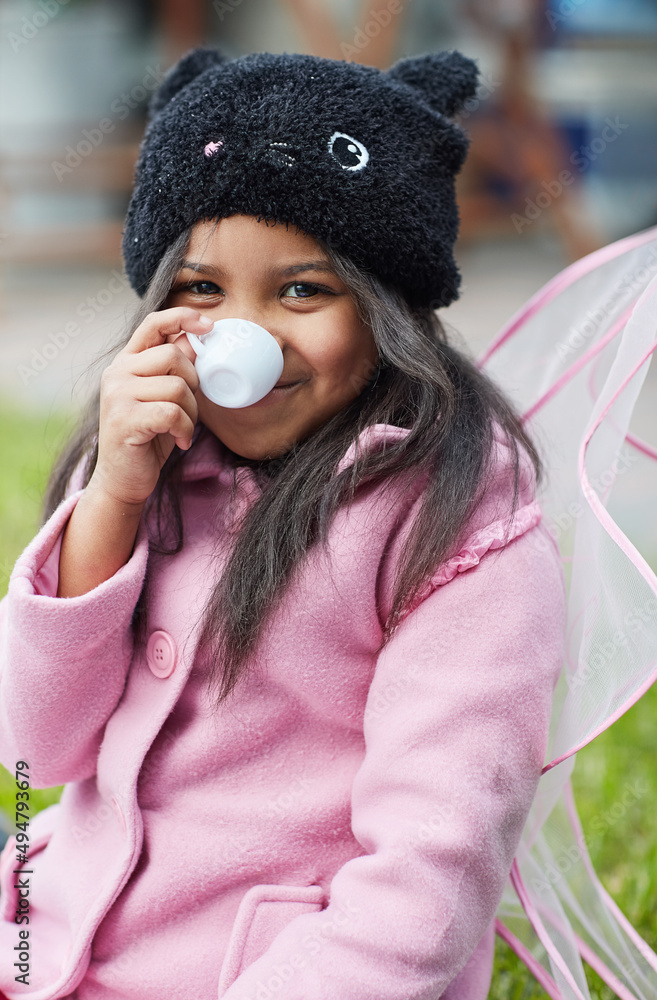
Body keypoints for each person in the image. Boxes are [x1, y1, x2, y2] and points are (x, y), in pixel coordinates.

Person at [0, 48, 567, 999]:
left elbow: (431, 873)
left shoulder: (453, 524)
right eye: (201, 291)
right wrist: (111, 503)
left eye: (302, 290)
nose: (244, 338)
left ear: (388, 309)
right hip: (43, 938)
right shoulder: (153, 458)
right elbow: (32, 754)